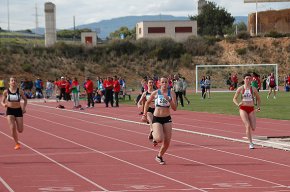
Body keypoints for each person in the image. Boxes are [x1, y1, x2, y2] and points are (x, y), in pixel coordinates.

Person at [142, 77, 177, 165]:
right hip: (157, 118)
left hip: (167, 118)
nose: (164, 84)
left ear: (168, 84)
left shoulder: (171, 93)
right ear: (159, 83)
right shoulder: (155, 93)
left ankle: (159, 156)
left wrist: (169, 99)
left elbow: (175, 108)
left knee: (167, 142)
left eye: (166, 82)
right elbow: (147, 102)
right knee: (159, 139)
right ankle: (153, 132)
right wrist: (144, 114)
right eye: (162, 82)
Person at [233, 73, 261, 149]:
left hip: (251, 109)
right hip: (243, 109)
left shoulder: (253, 89)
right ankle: (251, 143)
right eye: (246, 78)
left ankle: (250, 139)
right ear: (244, 79)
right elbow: (234, 98)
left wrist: (258, 107)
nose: (248, 80)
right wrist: (238, 104)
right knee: (247, 126)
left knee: (253, 128)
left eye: (249, 78)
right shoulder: (240, 88)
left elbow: (258, 99)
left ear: (251, 79)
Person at [1, 77, 27, 150]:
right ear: (9, 82)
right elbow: (2, 101)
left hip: (18, 110)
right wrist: (4, 105)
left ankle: (17, 139)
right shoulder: (6, 91)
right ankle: (17, 143)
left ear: (16, 82)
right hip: (10, 111)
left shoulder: (20, 91)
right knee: (12, 128)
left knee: (20, 130)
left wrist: (24, 108)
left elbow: (25, 100)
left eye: (15, 80)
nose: (13, 82)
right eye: (12, 80)